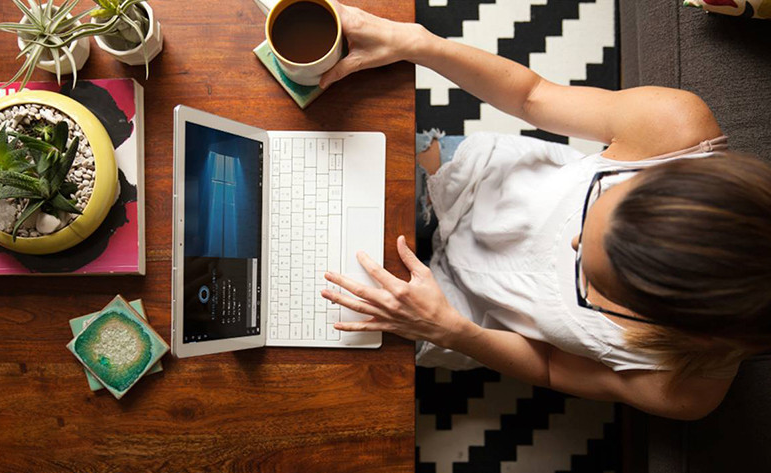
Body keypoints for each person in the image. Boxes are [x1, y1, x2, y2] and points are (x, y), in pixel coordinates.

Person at [317, 1, 771, 420]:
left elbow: (552, 367)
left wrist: (452, 331)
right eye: (599, 204)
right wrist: (418, 42)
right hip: (467, 185)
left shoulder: (684, 388)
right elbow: (531, 96)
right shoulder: (677, 129)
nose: (573, 240)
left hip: (463, 313)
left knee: (318, 330)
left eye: (595, 281)